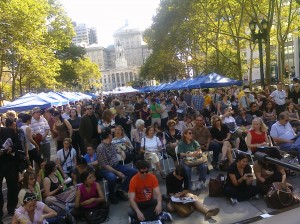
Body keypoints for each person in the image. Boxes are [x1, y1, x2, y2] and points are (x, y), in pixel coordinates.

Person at [96, 128, 137, 204]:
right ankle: (112, 195)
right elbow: (105, 165)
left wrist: (121, 151)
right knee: (112, 178)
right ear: (109, 135)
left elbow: (117, 150)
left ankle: (121, 189)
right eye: (111, 134)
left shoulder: (111, 144)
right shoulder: (100, 148)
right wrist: (117, 172)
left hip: (116, 165)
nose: (112, 135)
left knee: (134, 171)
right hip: (105, 169)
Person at [0, 118, 21, 218]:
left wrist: (11, 148)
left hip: (10, 163)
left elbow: (18, 143)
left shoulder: (8, 131)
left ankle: (11, 208)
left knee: (13, 186)